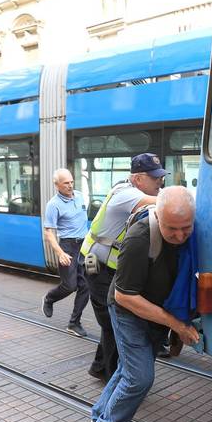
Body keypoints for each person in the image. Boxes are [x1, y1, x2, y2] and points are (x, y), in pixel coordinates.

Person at [90, 186, 200, 422]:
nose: (179, 236)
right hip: (130, 309)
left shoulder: (191, 233)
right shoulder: (140, 237)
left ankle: (99, 415)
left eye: (186, 228)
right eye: (171, 229)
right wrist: (177, 324)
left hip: (156, 309)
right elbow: (124, 296)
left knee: (130, 370)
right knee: (140, 377)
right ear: (158, 218)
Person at [80, 153, 165, 381]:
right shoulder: (126, 194)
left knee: (112, 322)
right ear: (138, 179)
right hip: (95, 266)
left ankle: (100, 367)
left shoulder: (135, 191)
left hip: (109, 268)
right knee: (112, 323)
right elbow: (166, 202)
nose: (160, 182)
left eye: (161, 177)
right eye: (155, 178)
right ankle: (111, 376)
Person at [41, 168, 90, 337]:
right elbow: (49, 232)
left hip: (84, 246)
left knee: (86, 286)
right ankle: (49, 298)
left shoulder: (80, 196)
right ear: (57, 185)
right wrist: (60, 253)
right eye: (65, 183)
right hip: (67, 247)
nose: (70, 186)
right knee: (70, 285)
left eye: (71, 182)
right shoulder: (53, 204)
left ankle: (74, 323)